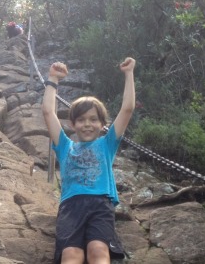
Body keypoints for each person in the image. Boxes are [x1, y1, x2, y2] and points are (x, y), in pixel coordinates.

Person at [41, 57, 136, 264]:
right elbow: (48, 112)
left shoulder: (107, 143)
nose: (87, 124)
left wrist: (129, 74)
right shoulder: (65, 146)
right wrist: (52, 79)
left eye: (93, 120)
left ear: (103, 124)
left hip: (101, 205)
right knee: (71, 255)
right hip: (70, 207)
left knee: (98, 251)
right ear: (73, 124)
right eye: (81, 120)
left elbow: (127, 109)